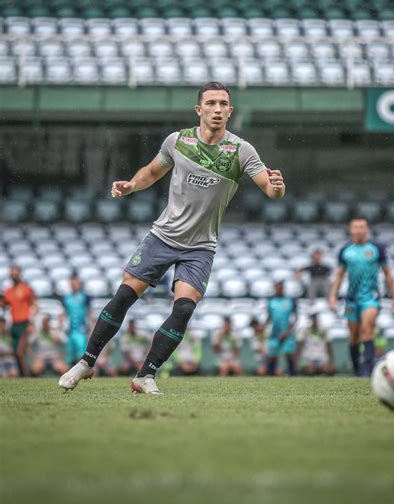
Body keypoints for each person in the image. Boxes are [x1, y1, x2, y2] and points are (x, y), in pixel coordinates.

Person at [59, 82, 285, 394]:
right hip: (162, 237)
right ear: (199, 109)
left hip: (201, 247)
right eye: (211, 103)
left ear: (230, 111)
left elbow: (269, 189)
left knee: (183, 309)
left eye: (223, 104)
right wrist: (130, 186)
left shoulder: (241, 150)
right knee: (125, 295)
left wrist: (277, 187)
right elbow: (152, 172)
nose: (217, 109)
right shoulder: (178, 141)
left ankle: (145, 375)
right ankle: (86, 362)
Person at [328, 217, 394, 377]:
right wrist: (332, 296)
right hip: (351, 298)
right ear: (351, 230)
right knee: (353, 336)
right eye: (356, 227)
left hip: (370, 296)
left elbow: (387, 272)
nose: (359, 230)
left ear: (367, 229)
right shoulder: (345, 250)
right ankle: (357, 371)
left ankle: (368, 372)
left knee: (367, 331)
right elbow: (339, 275)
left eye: (362, 227)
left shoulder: (377, 248)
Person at [2, 265, 37, 377]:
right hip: (14, 325)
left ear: (20, 274)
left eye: (16, 273)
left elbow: (35, 305)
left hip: (24, 324)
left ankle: (28, 376)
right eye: (12, 273)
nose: (14, 275)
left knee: (20, 352)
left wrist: (31, 322)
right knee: (18, 352)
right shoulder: (8, 291)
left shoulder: (26, 288)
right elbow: (4, 306)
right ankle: (23, 375)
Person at [59, 275, 92, 366]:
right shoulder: (67, 298)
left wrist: (91, 328)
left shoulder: (84, 297)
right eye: (72, 283)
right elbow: (64, 312)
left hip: (81, 330)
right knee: (69, 355)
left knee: (80, 354)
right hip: (70, 331)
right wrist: (60, 321)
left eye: (75, 283)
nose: (73, 285)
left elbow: (89, 313)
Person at [266, 281, 297, 376]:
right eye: (277, 287)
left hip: (287, 333)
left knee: (289, 355)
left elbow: (295, 317)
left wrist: (288, 331)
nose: (278, 289)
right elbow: (269, 316)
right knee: (272, 356)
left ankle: (293, 376)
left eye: (280, 287)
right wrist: (263, 326)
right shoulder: (271, 301)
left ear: (283, 288)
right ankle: (270, 377)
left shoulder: (290, 300)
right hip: (275, 333)